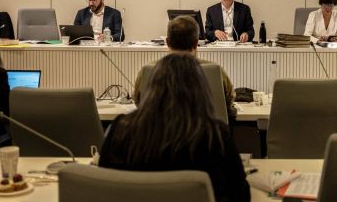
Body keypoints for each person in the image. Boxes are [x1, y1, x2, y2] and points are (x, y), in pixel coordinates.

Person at [100, 53, 250, 202]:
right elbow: (241, 196)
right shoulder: (216, 135)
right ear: (201, 90)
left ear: (151, 88)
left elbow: (103, 187)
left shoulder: (120, 130)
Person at [134, 15, 236, 117]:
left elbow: (139, 103)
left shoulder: (147, 72)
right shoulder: (216, 72)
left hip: (159, 132)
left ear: (168, 42)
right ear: (196, 44)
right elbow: (227, 104)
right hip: (204, 132)